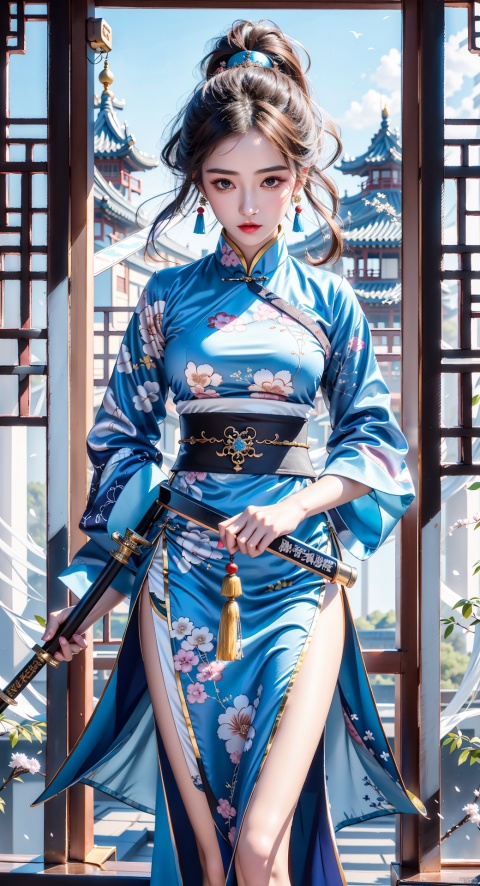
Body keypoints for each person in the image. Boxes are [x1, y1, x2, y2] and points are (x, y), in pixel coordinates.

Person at [32, 19, 427, 886]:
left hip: (295, 578)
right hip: (181, 580)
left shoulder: (332, 302)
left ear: (297, 180)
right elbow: (124, 448)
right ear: (200, 186)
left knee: (260, 843)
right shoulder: (167, 300)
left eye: (270, 180)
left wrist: (292, 504)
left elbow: (376, 444)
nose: (248, 205)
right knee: (217, 855)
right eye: (223, 182)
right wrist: (84, 598)